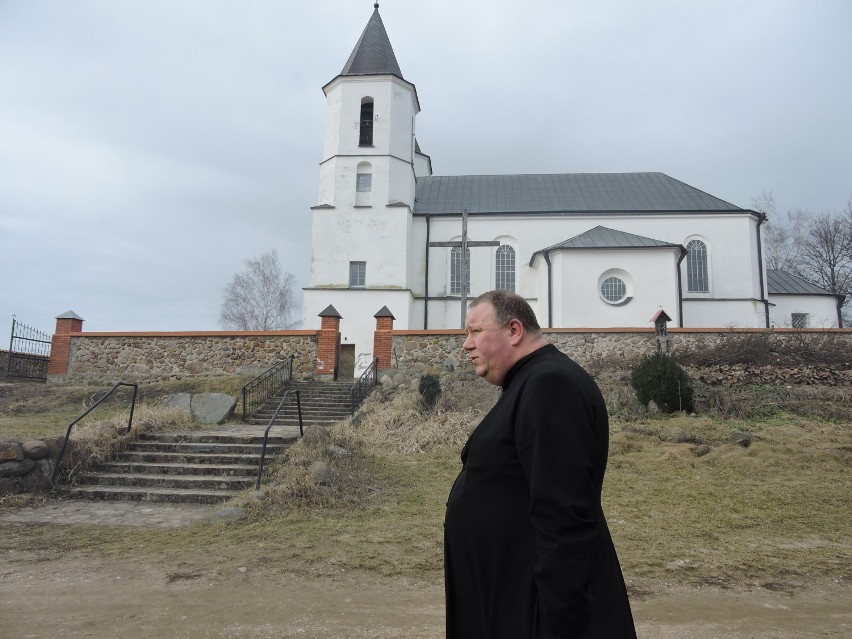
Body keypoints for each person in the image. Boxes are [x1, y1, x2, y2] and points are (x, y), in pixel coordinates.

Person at [444, 290, 636, 638]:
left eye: (475, 332)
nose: (465, 345)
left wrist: (558, 624)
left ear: (514, 331)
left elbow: (564, 519)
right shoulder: (531, 383)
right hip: (511, 599)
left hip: (535, 613)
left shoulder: (550, 386)